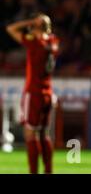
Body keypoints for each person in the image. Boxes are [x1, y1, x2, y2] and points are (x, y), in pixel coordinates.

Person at [6, 13, 59, 174]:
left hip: (34, 92)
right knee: (44, 133)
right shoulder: (53, 42)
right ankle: (48, 170)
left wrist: (29, 22)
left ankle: (33, 171)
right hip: (48, 92)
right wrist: (40, 24)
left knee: (30, 133)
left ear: (36, 27)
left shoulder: (35, 43)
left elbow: (11, 29)